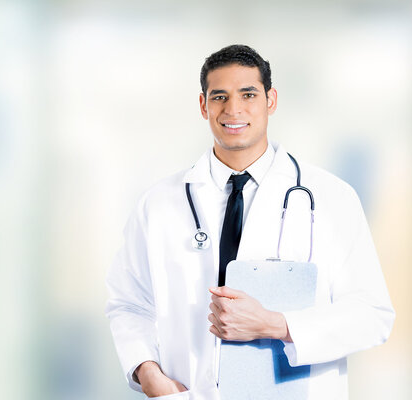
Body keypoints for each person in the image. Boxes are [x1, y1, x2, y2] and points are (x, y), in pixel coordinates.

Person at [105, 45, 395, 400]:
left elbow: (372, 315)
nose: (233, 109)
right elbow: (129, 304)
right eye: (219, 97)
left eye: (248, 94)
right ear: (203, 106)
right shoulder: (159, 203)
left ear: (270, 100)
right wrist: (147, 373)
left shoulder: (332, 198)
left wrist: (276, 325)